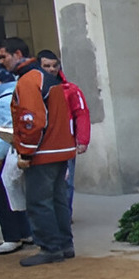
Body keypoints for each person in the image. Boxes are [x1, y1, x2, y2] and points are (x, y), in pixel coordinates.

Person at [0, 37, 75, 266]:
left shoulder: (29, 80)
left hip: (43, 151)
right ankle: (64, 245)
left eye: (3, 56)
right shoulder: (45, 77)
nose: (1, 62)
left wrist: (25, 152)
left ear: (17, 54)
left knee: (39, 203)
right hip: (60, 148)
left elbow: (32, 122)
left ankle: (51, 248)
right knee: (57, 200)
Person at [36, 50, 90, 213]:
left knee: (66, 182)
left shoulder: (70, 89)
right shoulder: (31, 89)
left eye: (55, 65)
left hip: (66, 143)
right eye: (47, 66)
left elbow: (81, 113)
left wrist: (82, 140)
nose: (52, 69)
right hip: (40, 144)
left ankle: (65, 215)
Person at [0, 74, 33, 255]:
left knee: (3, 195)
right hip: (12, 152)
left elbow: (4, 128)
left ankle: (12, 237)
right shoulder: (14, 91)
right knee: (14, 191)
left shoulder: (2, 98)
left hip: (4, 153)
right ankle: (25, 232)